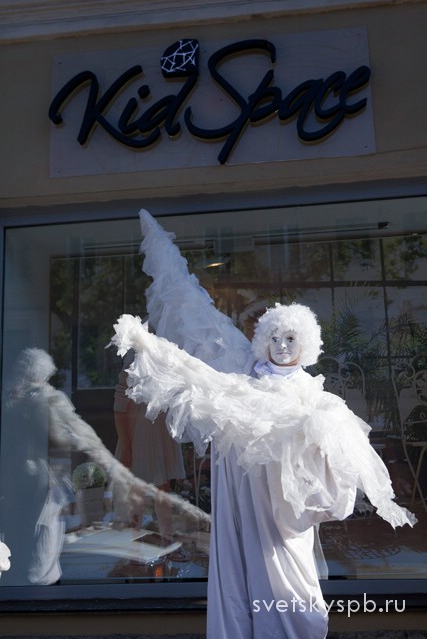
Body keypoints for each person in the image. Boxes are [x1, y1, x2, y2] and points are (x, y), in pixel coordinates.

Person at [109, 210, 416, 639]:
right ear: (262, 340)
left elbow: (337, 456)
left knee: (292, 587)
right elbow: (197, 364)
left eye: (291, 339)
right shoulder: (243, 375)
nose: (282, 346)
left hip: (281, 508)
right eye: (274, 337)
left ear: (306, 345)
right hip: (240, 497)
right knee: (241, 577)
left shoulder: (312, 394)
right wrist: (148, 342)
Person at [0, 347, 209, 586]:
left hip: (30, 481)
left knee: (37, 532)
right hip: (42, 479)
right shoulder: (40, 401)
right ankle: (36, 583)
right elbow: (73, 436)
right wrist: (108, 450)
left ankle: (30, 580)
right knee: (43, 535)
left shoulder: (18, 401)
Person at [114, 348, 186, 543]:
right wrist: (126, 445)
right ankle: (134, 541)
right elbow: (119, 409)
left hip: (159, 435)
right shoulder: (131, 370)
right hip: (139, 436)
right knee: (137, 488)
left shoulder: (163, 369)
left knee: (162, 488)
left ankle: (166, 538)